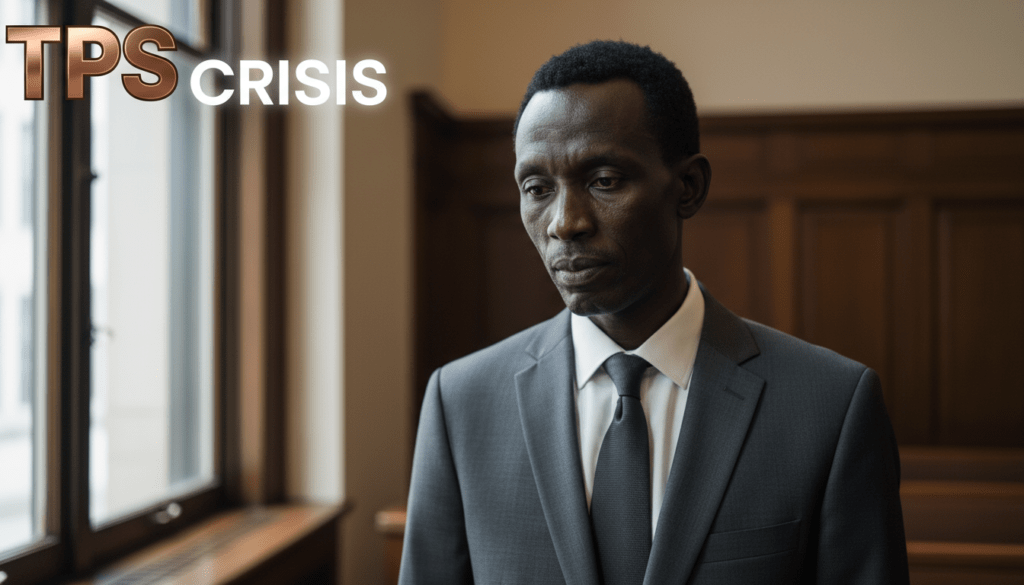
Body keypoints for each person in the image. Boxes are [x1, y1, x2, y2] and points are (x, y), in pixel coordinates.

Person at [399, 40, 909, 585]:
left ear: (687, 188)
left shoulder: (829, 406)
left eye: (604, 181)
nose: (564, 223)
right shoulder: (461, 403)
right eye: (537, 188)